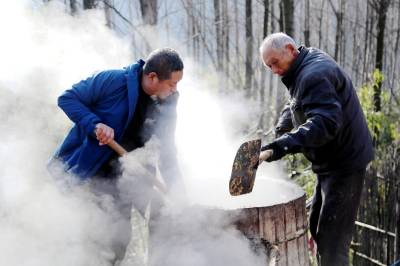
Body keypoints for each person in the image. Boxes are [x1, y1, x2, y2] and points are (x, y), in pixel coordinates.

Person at [50, 48, 184, 263]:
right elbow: (67, 98)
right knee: (98, 241)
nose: (175, 89)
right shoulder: (113, 80)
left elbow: (167, 149)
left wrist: (178, 190)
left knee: (122, 240)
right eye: (172, 84)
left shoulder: (168, 102)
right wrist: (95, 125)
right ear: (152, 77)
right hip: (95, 174)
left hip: (132, 179)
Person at [259, 33, 374, 265]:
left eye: (274, 63)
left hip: (345, 165)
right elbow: (297, 102)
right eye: (268, 66)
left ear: (290, 49)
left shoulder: (314, 74)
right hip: (330, 163)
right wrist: (282, 127)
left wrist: (279, 147)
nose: (273, 70)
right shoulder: (303, 64)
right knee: (316, 225)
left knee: (332, 244)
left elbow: (325, 123)